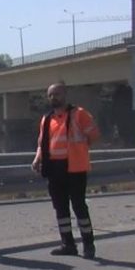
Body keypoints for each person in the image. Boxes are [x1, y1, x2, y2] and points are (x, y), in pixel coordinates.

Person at [30, 82, 101, 258]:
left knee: (78, 206)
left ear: (65, 95)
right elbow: (42, 143)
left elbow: (94, 135)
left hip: (74, 167)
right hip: (54, 168)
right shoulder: (46, 119)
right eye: (51, 95)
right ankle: (68, 244)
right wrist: (37, 158)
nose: (54, 97)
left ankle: (88, 244)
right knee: (60, 208)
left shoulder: (79, 114)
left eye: (57, 94)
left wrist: (81, 150)